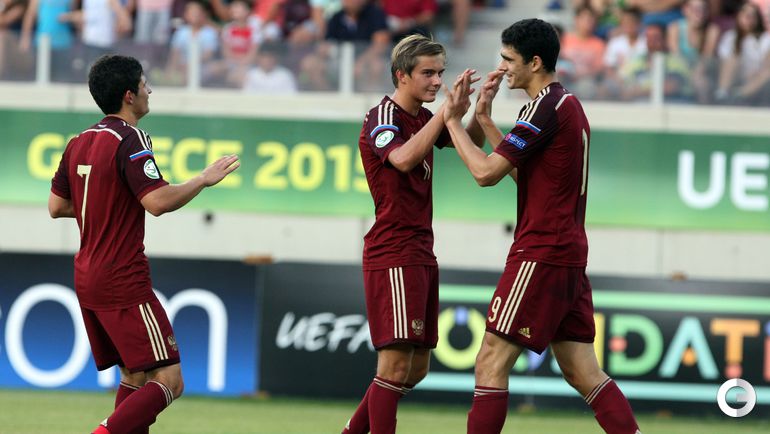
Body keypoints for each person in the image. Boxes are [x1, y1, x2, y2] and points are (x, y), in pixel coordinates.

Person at [441, 19, 641, 434]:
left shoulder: (543, 107)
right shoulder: (565, 104)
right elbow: (532, 179)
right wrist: (486, 120)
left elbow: (485, 174)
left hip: (541, 251)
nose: (502, 67)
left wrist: (452, 121)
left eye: (508, 59)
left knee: (490, 360)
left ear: (535, 62)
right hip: (567, 252)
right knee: (583, 371)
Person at [48, 54, 240, 434]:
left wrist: (108, 204)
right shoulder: (131, 138)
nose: (149, 90)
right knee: (170, 380)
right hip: (122, 277)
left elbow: (57, 206)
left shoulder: (78, 142)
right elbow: (157, 202)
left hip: (87, 274)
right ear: (129, 95)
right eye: (144, 84)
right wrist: (202, 179)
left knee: (134, 376)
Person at [341, 33, 481, 434]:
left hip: (420, 249)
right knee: (394, 365)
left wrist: (477, 109)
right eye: (428, 73)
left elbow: (468, 141)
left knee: (415, 368)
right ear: (402, 75)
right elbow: (401, 158)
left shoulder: (423, 116)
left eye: (440, 73)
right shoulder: (382, 116)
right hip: (393, 250)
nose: (437, 81)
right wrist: (445, 114)